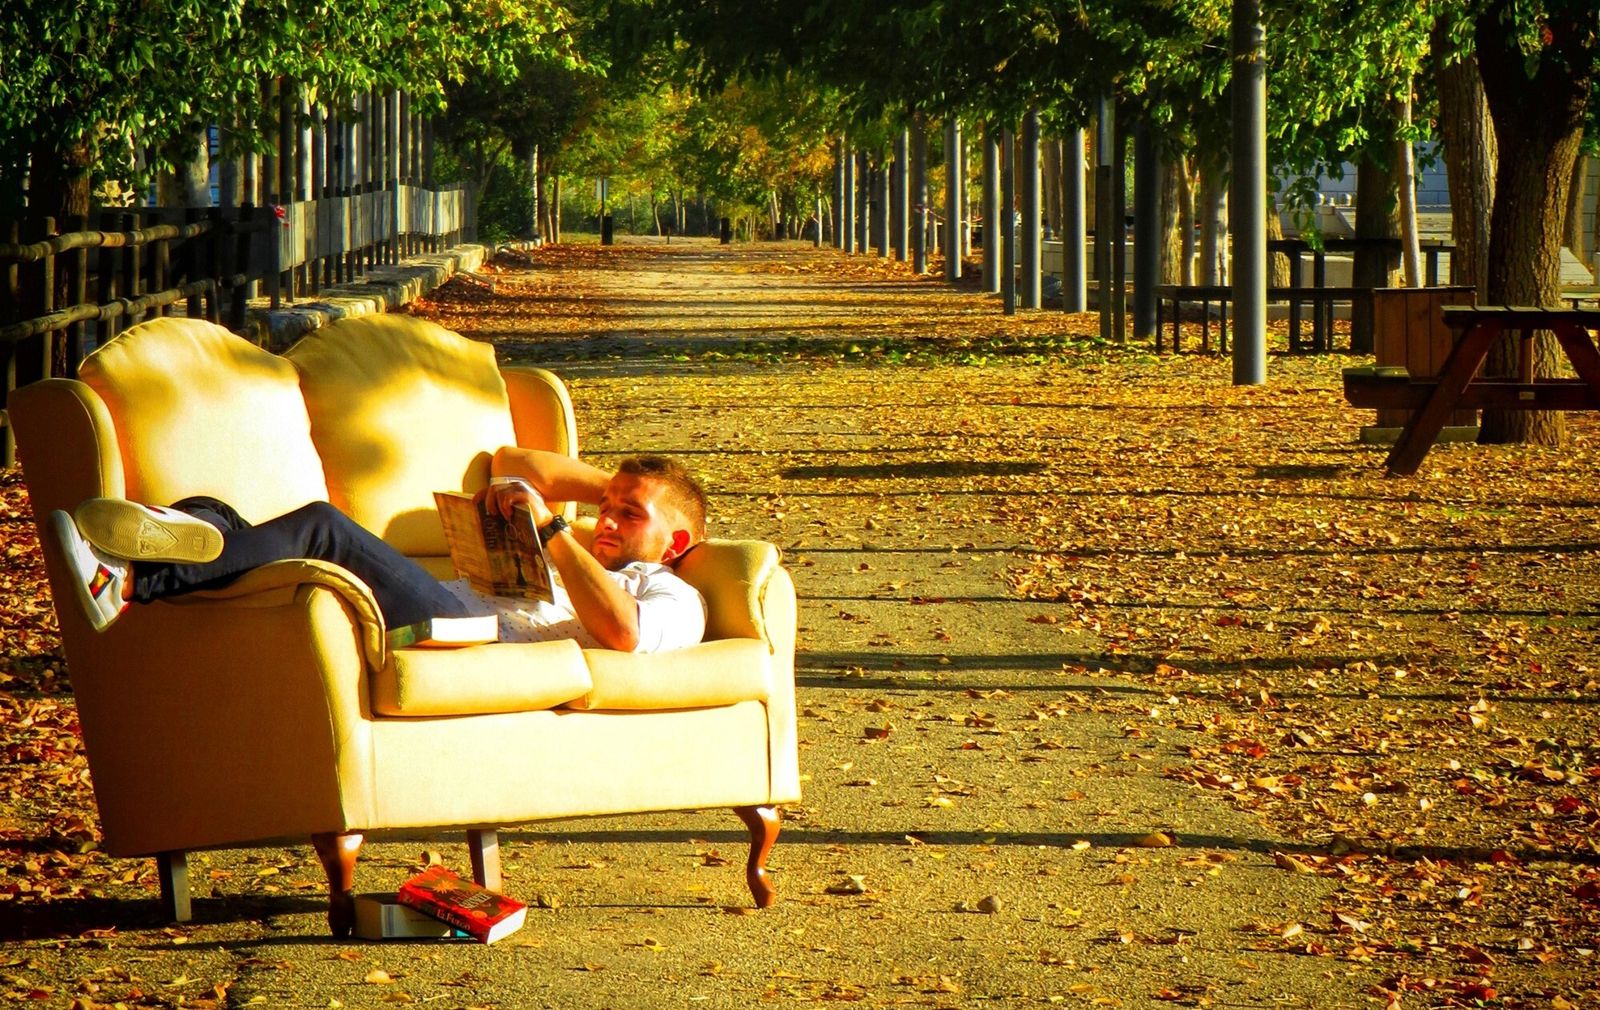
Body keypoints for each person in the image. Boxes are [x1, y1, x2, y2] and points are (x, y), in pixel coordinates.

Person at [50, 452, 709, 654]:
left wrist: (554, 531)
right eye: (605, 508)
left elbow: (624, 633)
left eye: (630, 514)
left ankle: (129, 584)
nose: (607, 520)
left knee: (321, 526)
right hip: (445, 604)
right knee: (216, 515)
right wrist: (624, 488)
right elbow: (513, 461)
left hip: (468, 640)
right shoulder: (589, 543)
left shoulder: (675, 594)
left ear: (678, 543)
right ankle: (175, 534)